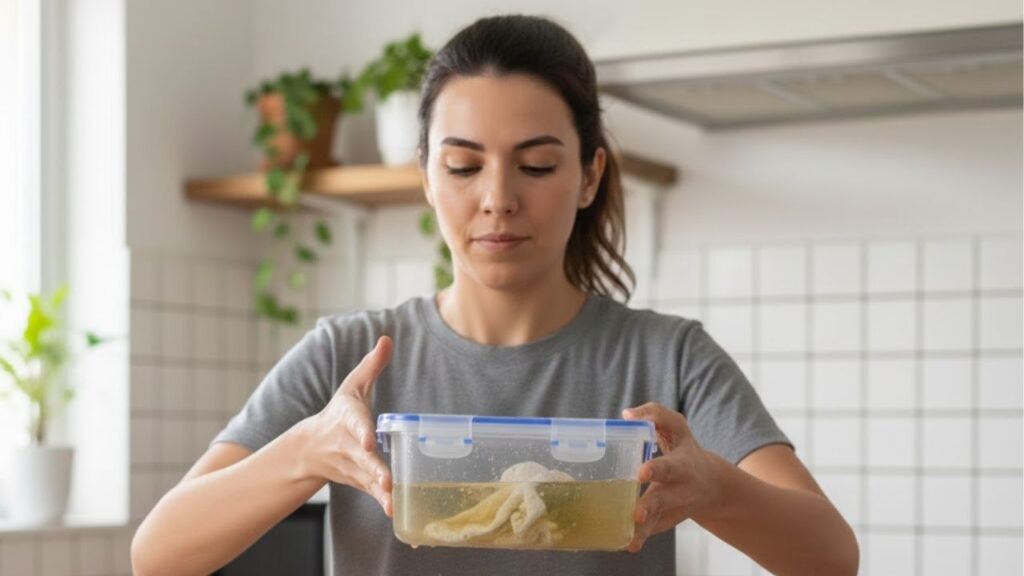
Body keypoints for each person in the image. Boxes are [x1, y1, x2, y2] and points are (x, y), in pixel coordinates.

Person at [132, 14, 858, 576]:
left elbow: (832, 557)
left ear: (591, 174)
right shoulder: (349, 359)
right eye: (462, 165)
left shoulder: (668, 359)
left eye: (537, 165)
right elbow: (159, 553)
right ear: (425, 175)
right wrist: (304, 453)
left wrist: (718, 490)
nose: (498, 199)